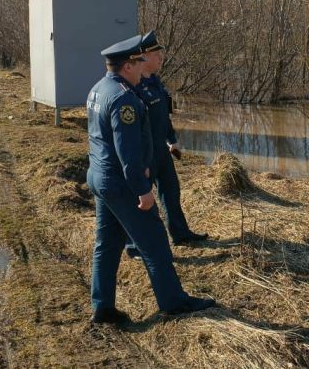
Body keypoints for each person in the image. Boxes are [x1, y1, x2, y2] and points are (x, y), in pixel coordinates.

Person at [85, 35, 215, 324]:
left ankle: (102, 307)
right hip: (121, 184)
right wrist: (143, 191)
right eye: (139, 60)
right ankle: (173, 302)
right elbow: (127, 153)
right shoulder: (123, 99)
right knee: (155, 241)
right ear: (128, 66)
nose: (143, 64)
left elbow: (97, 139)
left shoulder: (99, 88)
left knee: (106, 243)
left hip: (99, 177)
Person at [125, 31, 207, 260]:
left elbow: (164, 116)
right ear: (143, 56)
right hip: (145, 153)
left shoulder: (156, 82)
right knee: (142, 199)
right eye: (157, 54)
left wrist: (172, 140)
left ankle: (180, 234)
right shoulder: (135, 87)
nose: (161, 58)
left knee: (171, 191)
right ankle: (134, 246)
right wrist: (140, 160)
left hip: (161, 150)